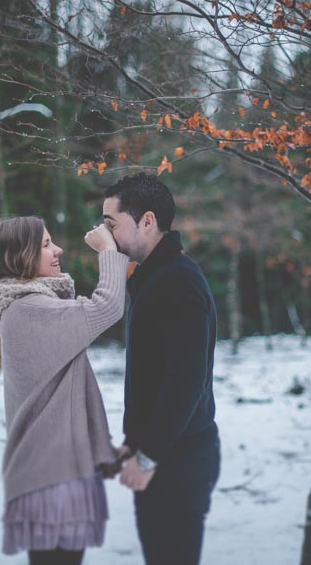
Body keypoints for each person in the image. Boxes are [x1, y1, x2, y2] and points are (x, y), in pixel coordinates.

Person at [0, 216, 132, 565]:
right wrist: (108, 251)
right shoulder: (31, 308)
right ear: (19, 256)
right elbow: (107, 307)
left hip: (52, 471)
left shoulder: (28, 308)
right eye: (46, 244)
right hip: (54, 476)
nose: (58, 249)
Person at [101, 173, 221, 565]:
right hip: (163, 453)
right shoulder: (157, 277)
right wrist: (135, 444)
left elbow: (185, 382)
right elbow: (155, 375)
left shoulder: (178, 281)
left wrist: (148, 455)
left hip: (177, 461)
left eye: (110, 223)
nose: (103, 233)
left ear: (147, 221)